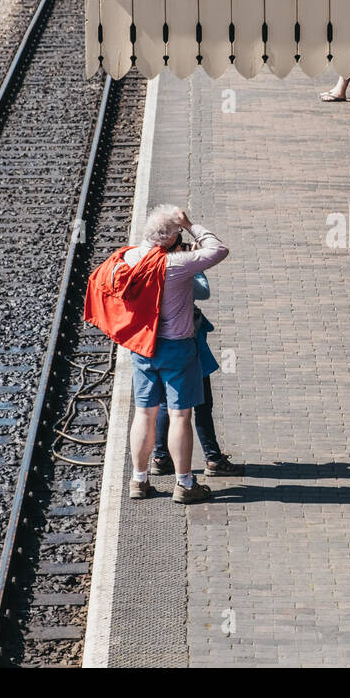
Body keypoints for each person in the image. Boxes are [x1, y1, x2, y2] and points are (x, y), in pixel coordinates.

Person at [120, 205, 228, 503]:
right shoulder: (179, 264)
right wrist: (191, 224)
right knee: (181, 415)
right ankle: (184, 484)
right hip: (178, 348)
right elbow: (219, 249)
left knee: (144, 413)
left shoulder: (130, 257)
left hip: (142, 347)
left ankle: (138, 481)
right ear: (170, 239)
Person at [151, 272, 244, 478]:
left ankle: (160, 457)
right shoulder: (179, 270)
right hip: (187, 346)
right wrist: (194, 262)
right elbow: (203, 290)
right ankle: (213, 459)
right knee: (202, 405)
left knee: (167, 404)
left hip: (159, 346)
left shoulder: (149, 269)